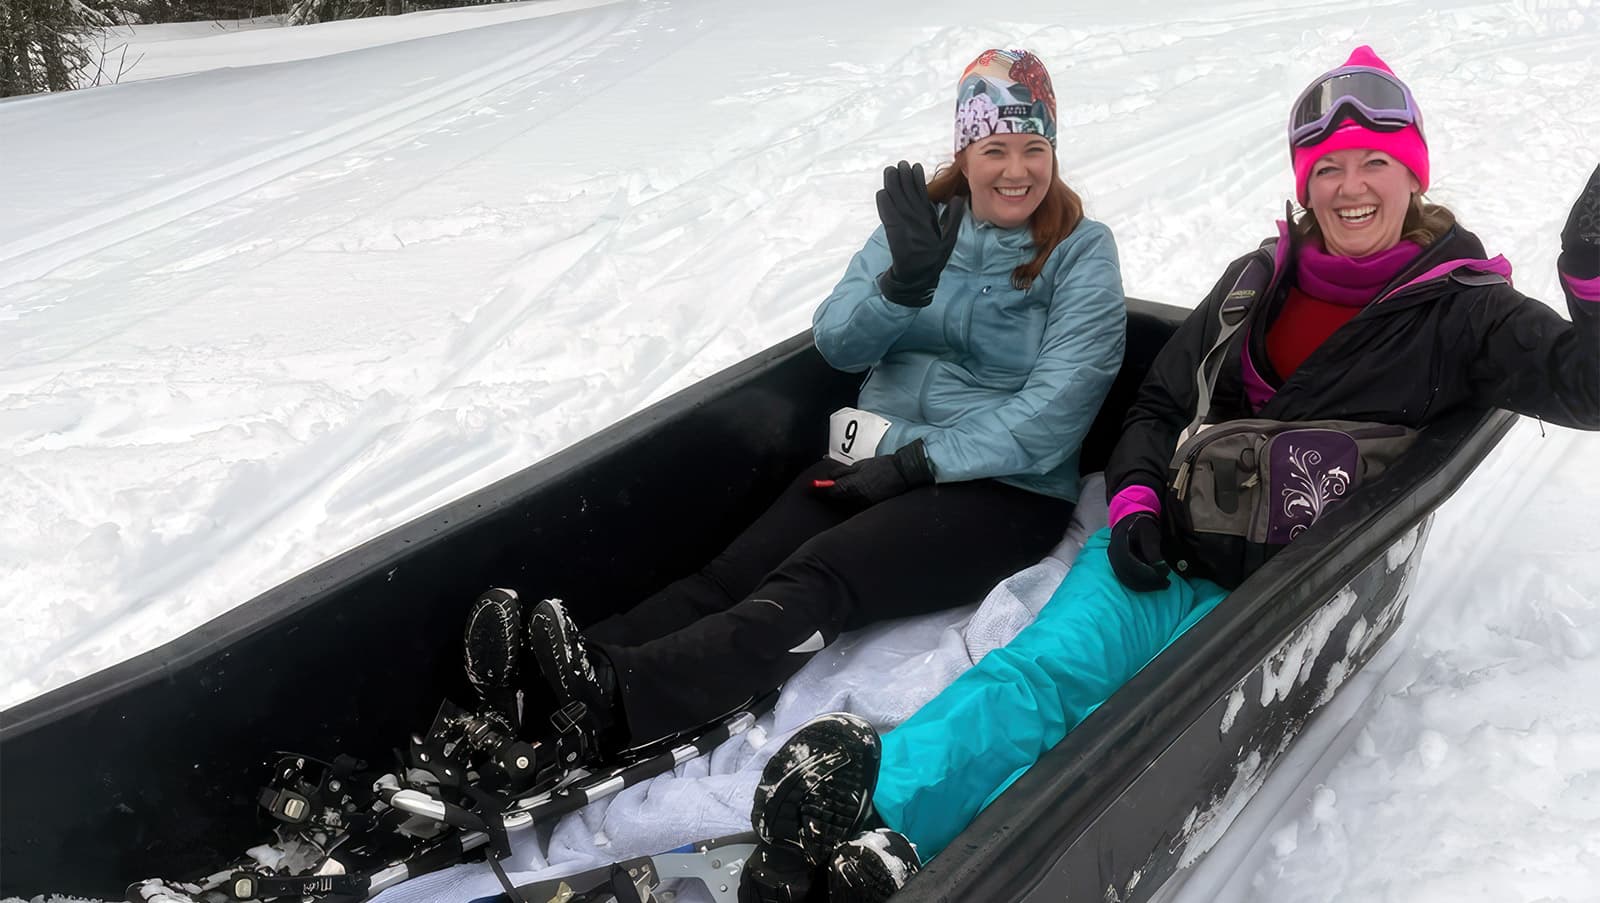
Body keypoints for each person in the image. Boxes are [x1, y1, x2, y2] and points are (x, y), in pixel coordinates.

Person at [741, 45, 1600, 903]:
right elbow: (1156, 400)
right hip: (1172, 534)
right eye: (1329, 167)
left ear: (1414, 174)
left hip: (1284, 583)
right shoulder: (1258, 281)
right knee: (1040, 672)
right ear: (1306, 183)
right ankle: (880, 804)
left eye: (1377, 162)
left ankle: (968, 855)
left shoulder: (1464, 311)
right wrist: (1141, 495)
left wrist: (1589, 280)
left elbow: (1583, 384)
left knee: (1137, 723)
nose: (1351, 187)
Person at [461, 49, 1127, 771]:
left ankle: (618, 700)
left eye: (1035, 148)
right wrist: (903, 285)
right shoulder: (922, 226)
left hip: (1001, 489)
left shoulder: (1080, 251)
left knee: (819, 577)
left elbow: (1056, 410)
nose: (1017, 170)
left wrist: (919, 461)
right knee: (723, 578)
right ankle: (547, 682)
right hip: (872, 458)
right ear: (964, 152)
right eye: (996, 148)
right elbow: (838, 341)